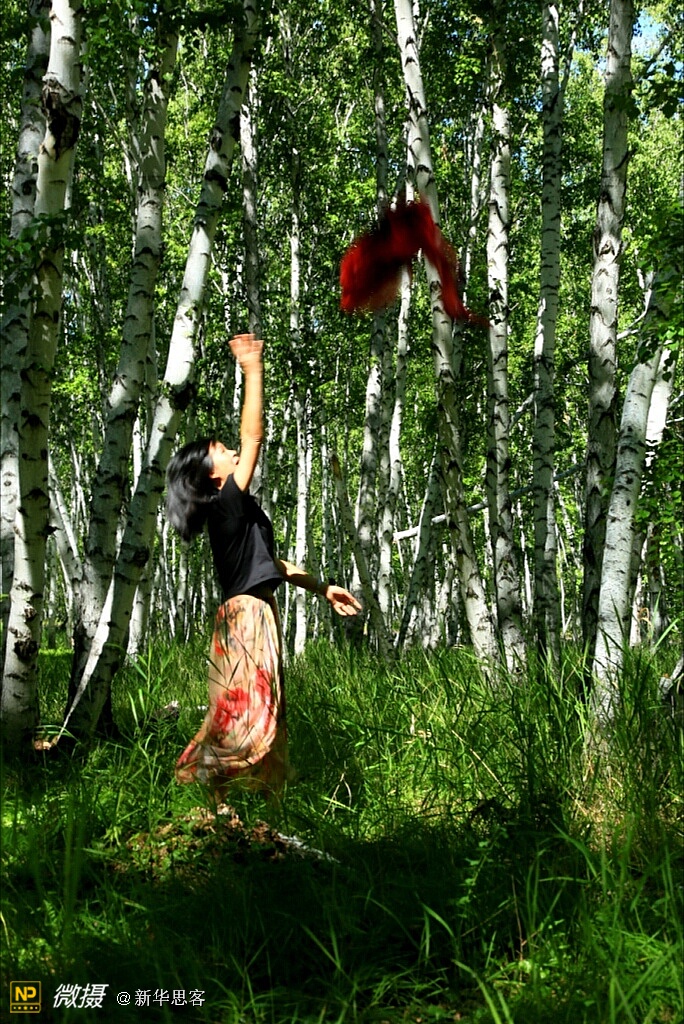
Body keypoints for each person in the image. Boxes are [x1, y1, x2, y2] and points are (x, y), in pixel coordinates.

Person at [165, 333, 361, 801]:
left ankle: (244, 810)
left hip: (250, 617)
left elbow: (274, 564)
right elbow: (253, 437)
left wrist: (323, 588)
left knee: (252, 716)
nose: (233, 453)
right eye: (222, 450)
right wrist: (252, 369)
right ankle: (198, 788)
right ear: (212, 474)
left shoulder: (238, 513)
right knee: (246, 718)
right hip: (246, 620)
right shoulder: (226, 503)